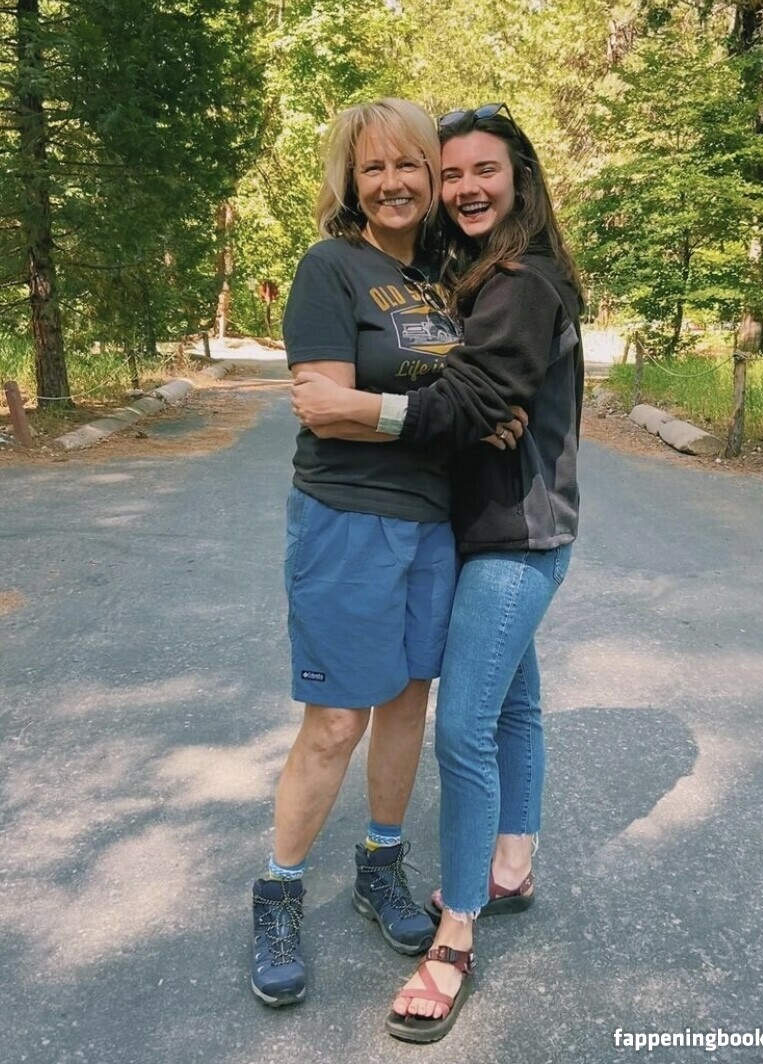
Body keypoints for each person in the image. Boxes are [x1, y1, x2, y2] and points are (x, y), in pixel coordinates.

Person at [291, 102, 584, 1042]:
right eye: (450, 172)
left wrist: (364, 408)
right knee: (511, 707)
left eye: (480, 171)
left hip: (514, 533)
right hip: (465, 526)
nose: (462, 188)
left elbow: (474, 400)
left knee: (460, 726)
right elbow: (459, 399)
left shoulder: (523, 279)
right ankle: (509, 868)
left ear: (520, 177)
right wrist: (465, 411)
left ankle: (455, 934)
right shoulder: (462, 274)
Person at [251, 98, 474, 1009]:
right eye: (372, 168)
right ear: (350, 180)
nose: (392, 183)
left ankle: (381, 864)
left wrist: (394, 415)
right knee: (338, 720)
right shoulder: (331, 267)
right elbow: (323, 408)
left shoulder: (445, 277)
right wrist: (436, 419)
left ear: (432, 174)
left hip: (435, 522)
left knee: (407, 703)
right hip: (346, 518)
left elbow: (474, 397)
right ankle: (278, 893)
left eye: (408, 165)